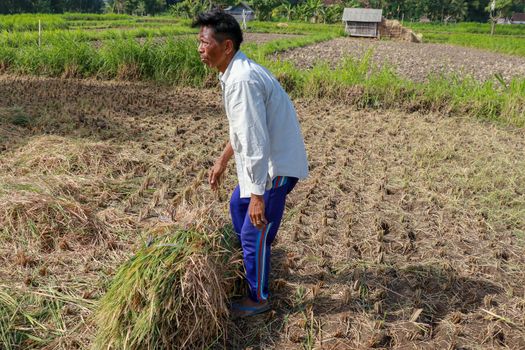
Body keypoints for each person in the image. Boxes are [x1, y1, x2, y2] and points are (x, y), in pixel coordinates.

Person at [193, 9, 308, 317]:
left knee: (253, 229)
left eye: (205, 42)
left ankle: (258, 298)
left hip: (276, 167)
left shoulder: (242, 79)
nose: (200, 48)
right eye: (199, 41)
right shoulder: (233, 73)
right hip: (264, 163)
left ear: (226, 46)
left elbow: (256, 139)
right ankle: (256, 261)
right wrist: (221, 161)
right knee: (238, 207)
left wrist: (258, 194)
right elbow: (242, 130)